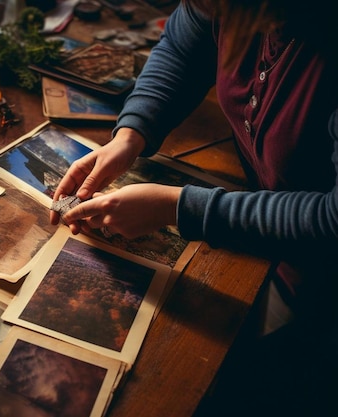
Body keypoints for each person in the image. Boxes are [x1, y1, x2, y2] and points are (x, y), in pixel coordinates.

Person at [50, 0, 337, 414]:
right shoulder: (222, 6)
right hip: (262, 242)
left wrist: (178, 207)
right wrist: (131, 133)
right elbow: (183, 46)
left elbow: (332, 222)